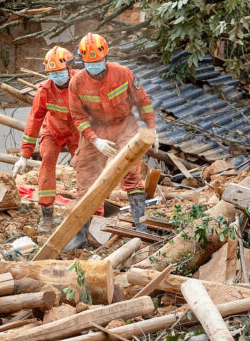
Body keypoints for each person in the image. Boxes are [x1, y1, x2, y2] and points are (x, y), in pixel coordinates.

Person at [66, 33, 157, 249]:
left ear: (106, 57)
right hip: (95, 127)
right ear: (82, 62)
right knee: (86, 180)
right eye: (89, 63)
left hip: (124, 125)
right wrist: (95, 140)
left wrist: (151, 129)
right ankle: (80, 236)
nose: (94, 66)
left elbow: (142, 101)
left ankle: (140, 227)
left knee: (132, 174)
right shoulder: (76, 83)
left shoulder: (123, 74)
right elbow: (77, 117)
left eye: (97, 61)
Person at [12, 46, 80, 234]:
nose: (56, 76)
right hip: (53, 130)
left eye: (59, 71)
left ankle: (92, 213)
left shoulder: (81, 82)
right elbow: (34, 121)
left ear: (69, 68)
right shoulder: (44, 90)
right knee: (47, 161)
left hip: (78, 131)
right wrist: (24, 155)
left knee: (85, 166)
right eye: (52, 73)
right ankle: (47, 215)